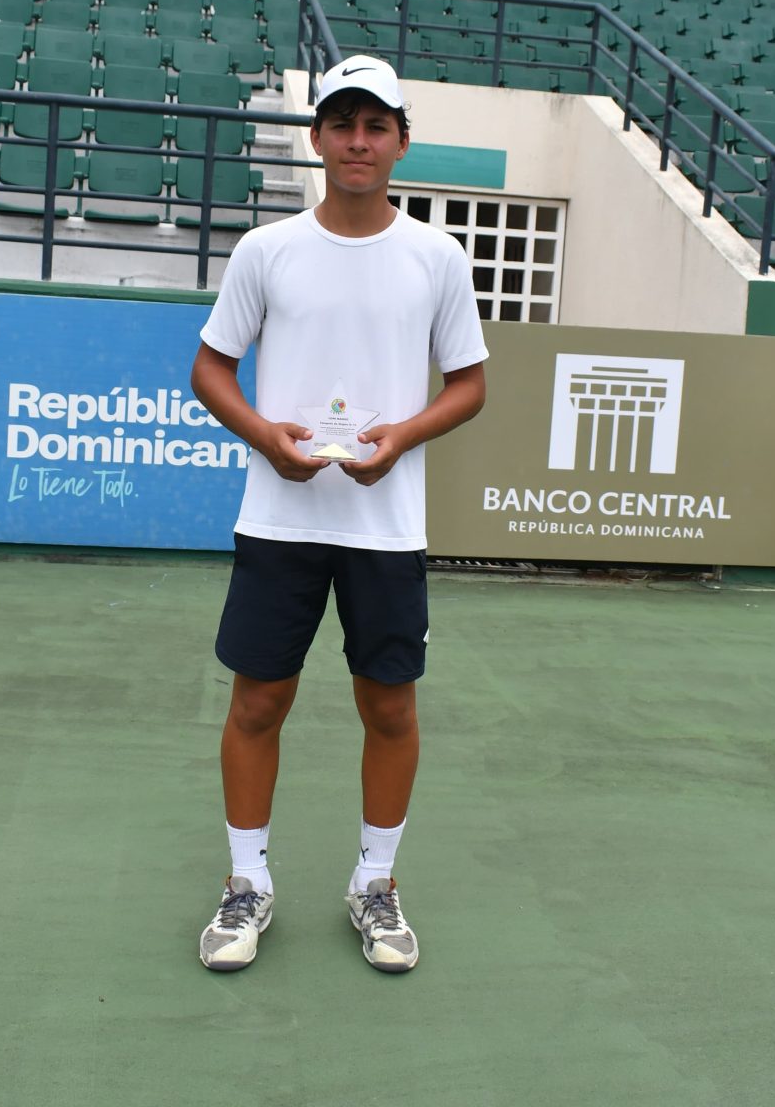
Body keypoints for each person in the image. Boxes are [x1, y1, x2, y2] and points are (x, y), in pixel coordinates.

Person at [189, 55, 488, 974]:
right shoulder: (265, 250)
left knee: (389, 707)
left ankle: (375, 883)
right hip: (279, 520)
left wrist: (401, 437)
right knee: (257, 702)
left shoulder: (438, 256)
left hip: (385, 527)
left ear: (401, 141)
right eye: (342, 124)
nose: (358, 142)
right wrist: (263, 437)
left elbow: (469, 386)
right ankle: (247, 883)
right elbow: (211, 369)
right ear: (316, 137)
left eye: (376, 126)